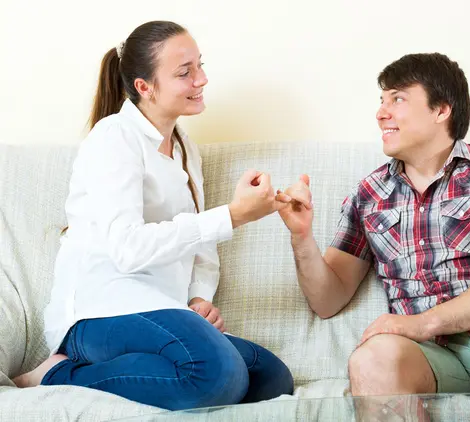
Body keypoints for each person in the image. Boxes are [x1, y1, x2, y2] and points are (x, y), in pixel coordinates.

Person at [277, 53, 470, 419]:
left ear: (441, 109)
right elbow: (327, 300)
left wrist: (420, 323)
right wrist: (301, 237)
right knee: (372, 360)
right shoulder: (369, 194)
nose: (381, 113)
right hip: (426, 358)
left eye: (398, 99)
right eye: (382, 101)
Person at [11, 20, 293, 411]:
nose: (202, 79)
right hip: (101, 310)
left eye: (200, 65)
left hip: (162, 311)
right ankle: (56, 374)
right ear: (144, 87)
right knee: (216, 374)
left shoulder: (184, 149)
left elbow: (199, 246)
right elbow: (128, 249)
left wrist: (198, 297)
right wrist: (233, 215)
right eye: (185, 72)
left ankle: (160, 369)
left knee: (272, 378)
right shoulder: (114, 138)